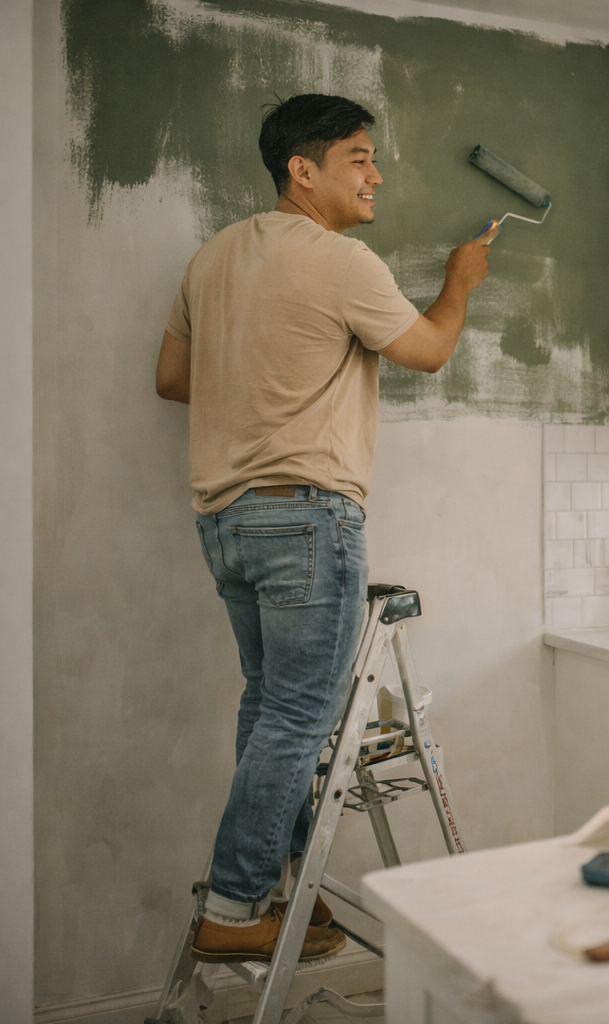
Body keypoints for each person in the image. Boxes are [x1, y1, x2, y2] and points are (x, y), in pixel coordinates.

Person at [154, 94, 490, 964]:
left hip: (225, 519)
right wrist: (459, 284)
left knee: (271, 708)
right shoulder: (342, 260)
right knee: (299, 720)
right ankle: (233, 910)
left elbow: (171, 377)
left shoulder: (213, 257)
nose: (376, 175)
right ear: (303, 170)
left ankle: (284, 894)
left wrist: (258, 385)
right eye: (359, 157)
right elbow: (425, 351)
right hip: (307, 516)